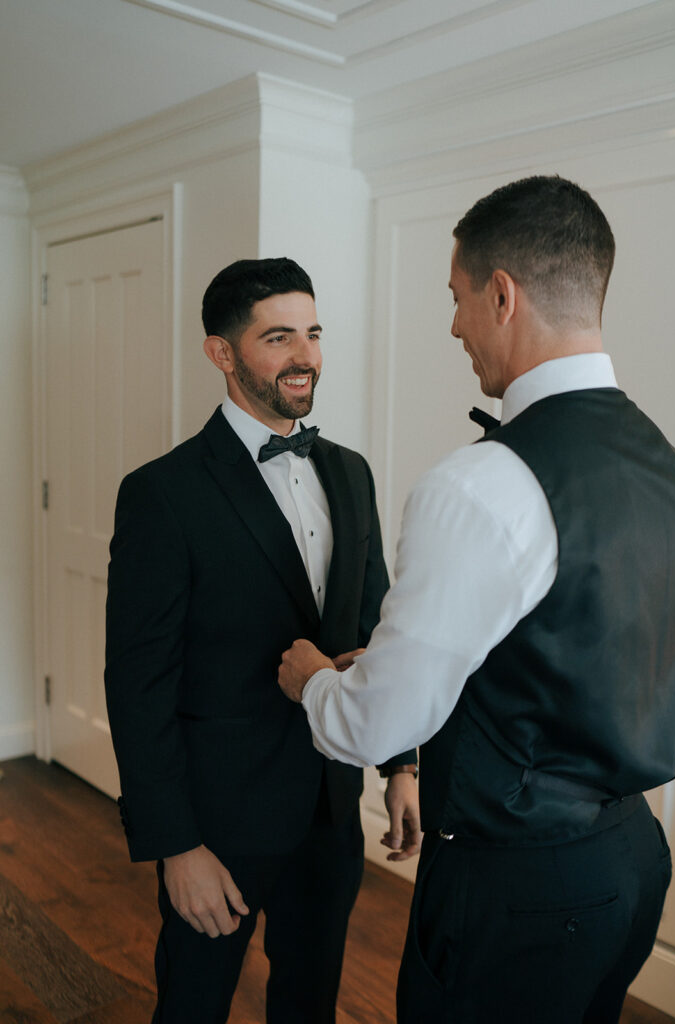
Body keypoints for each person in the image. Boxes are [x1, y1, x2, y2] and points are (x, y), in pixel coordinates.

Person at [278, 177, 675, 1024]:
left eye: (457, 299)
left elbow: (376, 726)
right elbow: (594, 637)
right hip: (631, 858)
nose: (454, 325)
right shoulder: (663, 462)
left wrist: (314, 678)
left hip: (517, 885)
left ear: (502, 294)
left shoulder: (478, 484)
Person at [104, 257, 420, 1024]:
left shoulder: (350, 472)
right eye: (278, 337)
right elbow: (137, 682)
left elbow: (377, 623)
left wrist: (401, 761)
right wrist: (175, 846)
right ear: (223, 353)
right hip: (216, 822)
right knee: (193, 1001)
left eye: (312, 333)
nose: (304, 355)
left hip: (328, 806)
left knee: (309, 1002)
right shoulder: (162, 492)